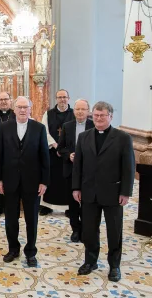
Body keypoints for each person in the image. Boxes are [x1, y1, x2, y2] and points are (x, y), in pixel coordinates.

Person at [73, 101, 135, 282]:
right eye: (96, 115)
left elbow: (129, 168)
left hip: (113, 193)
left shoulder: (123, 137)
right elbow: (78, 166)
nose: (99, 118)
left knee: (114, 231)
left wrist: (125, 192)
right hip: (89, 193)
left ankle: (114, 265)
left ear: (111, 116)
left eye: (103, 115)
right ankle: (90, 261)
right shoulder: (84, 137)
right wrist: (76, 187)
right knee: (89, 231)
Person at [0, 96, 49, 267]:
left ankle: (31, 252)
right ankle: (13, 249)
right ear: (14, 109)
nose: (23, 110)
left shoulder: (39, 128)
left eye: (26, 107)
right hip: (10, 180)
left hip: (32, 181)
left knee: (32, 219)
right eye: (19, 107)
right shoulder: (4, 127)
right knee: (11, 218)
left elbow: (44, 157)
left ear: (30, 109)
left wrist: (44, 181)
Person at [57, 99, 94, 242]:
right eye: (77, 109)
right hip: (71, 170)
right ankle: (75, 230)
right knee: (73, 203)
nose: (80, 112)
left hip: (89, 172)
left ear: (88, 111)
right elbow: (61, 148)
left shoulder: (93, 125)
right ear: (74, 111)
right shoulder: (67, 126)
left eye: (83, 109)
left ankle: (86, 229)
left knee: (87, 202)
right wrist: (69, 155)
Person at [40, 89, 74, 216]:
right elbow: (45, 131)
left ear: (68, 98)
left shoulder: (74, 114)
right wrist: (56, 146)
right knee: (51, 178)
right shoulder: (48, 114)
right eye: (60, 97)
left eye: (64, 97)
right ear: (56, 99)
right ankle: (47, 206)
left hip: (69, 153)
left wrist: (65, 150)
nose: (62, 99)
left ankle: (69, 206)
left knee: (67, 179)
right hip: (53, 152)